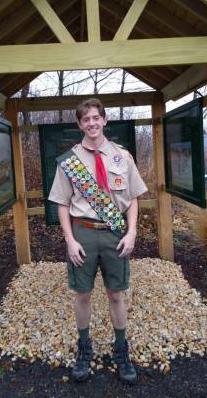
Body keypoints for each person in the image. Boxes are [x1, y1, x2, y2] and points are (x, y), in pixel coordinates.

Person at [48, 98, 147, 384]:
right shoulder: (70, 161)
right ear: (80, 124)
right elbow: (62, 204)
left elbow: (133, 200)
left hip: (116, 233)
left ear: (104, 120)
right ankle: (83, 349)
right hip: (83, 234)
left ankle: (121, 350)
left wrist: (131, 232)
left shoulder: (123, 156)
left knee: (116, 293)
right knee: (83, 293)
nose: (91, 123)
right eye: (85, 119)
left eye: (95, 117)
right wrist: (69, 240)